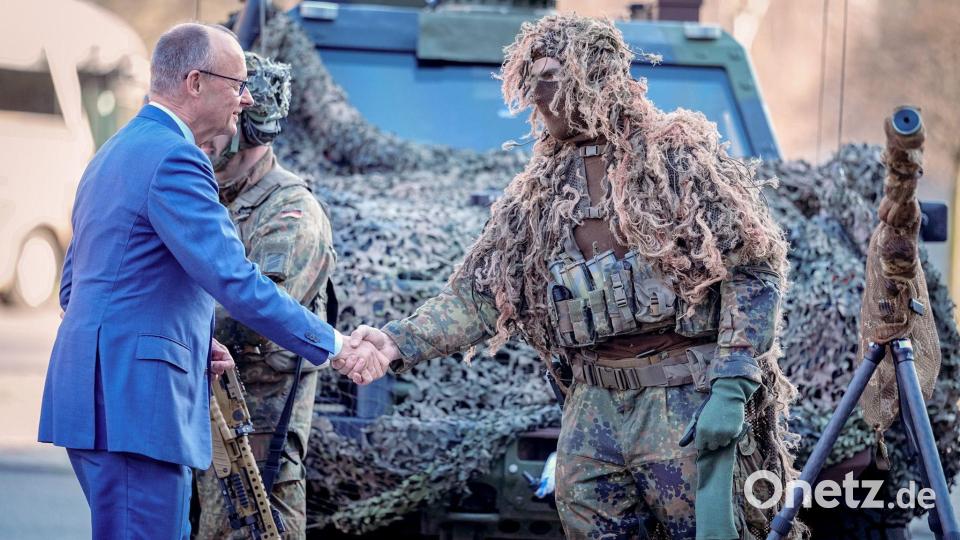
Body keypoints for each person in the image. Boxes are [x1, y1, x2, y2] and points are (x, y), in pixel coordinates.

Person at [340, 14, 800, 540]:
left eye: (551, 76)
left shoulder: (676, 156)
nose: (536, 94)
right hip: (593, 408)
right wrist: (395, 342)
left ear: (594, 74)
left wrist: (732, 385)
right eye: (529, 78)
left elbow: (753, 263)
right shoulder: (538, 190)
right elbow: (481, 296)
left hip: (682, 399)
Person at [38, 23, 382, 539]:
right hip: (138, 409)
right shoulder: (178, 159)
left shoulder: (114, 151)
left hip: (97, 403)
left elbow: (79, 290)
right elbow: (235, 279)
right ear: (195, 82)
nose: (245, 99)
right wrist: (334, 344)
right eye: (237, 83)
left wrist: (192, 340)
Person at [192, 52, 335, 539]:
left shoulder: (291, 212)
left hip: (256, 432)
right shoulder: (208, 192)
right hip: (203, 410)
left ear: (250, 128)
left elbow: (251, 313)